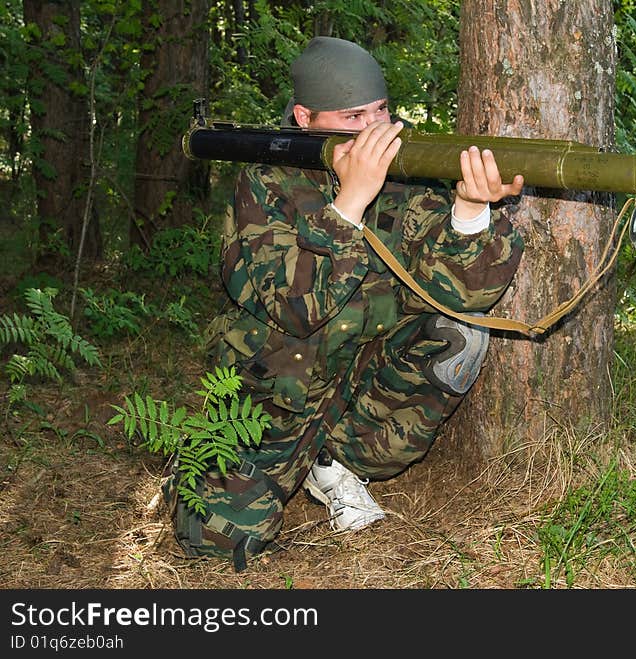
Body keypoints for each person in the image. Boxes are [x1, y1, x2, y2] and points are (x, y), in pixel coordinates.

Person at [164, 36, 525, 571]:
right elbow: (292, 306)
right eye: (353, 115)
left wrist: (469, 209)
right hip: (279, 389)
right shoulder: (265, 180)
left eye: (380, 111)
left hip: (364, 376)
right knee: (217, 543)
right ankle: (211, 462)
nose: (374, 128)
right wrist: (351, 200)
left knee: (461, 333)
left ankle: (333, 461)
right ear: (307, 117)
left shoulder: (407, 172)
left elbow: (464, 293)